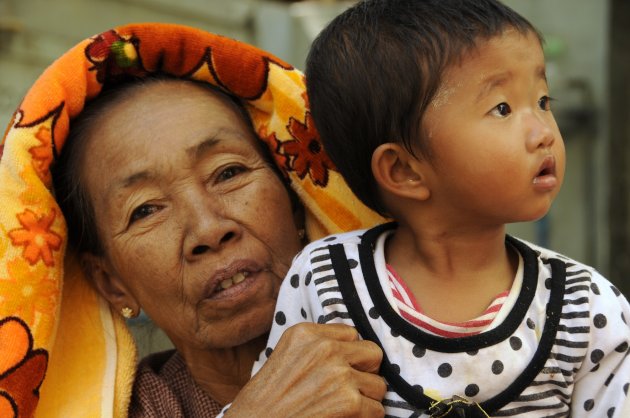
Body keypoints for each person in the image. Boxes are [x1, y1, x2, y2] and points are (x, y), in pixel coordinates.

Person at [245, 1, 630, 417]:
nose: (544, 133)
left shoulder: (586, 308)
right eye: (503, 108)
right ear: (404, 170)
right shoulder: (324, 281)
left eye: (542, 100)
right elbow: (282, 400)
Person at [0, 23, 387, 417]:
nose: (208, 229)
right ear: (112, 283)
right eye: (146, 210)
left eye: (228, 173)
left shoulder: (429, 333)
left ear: (295, 199)